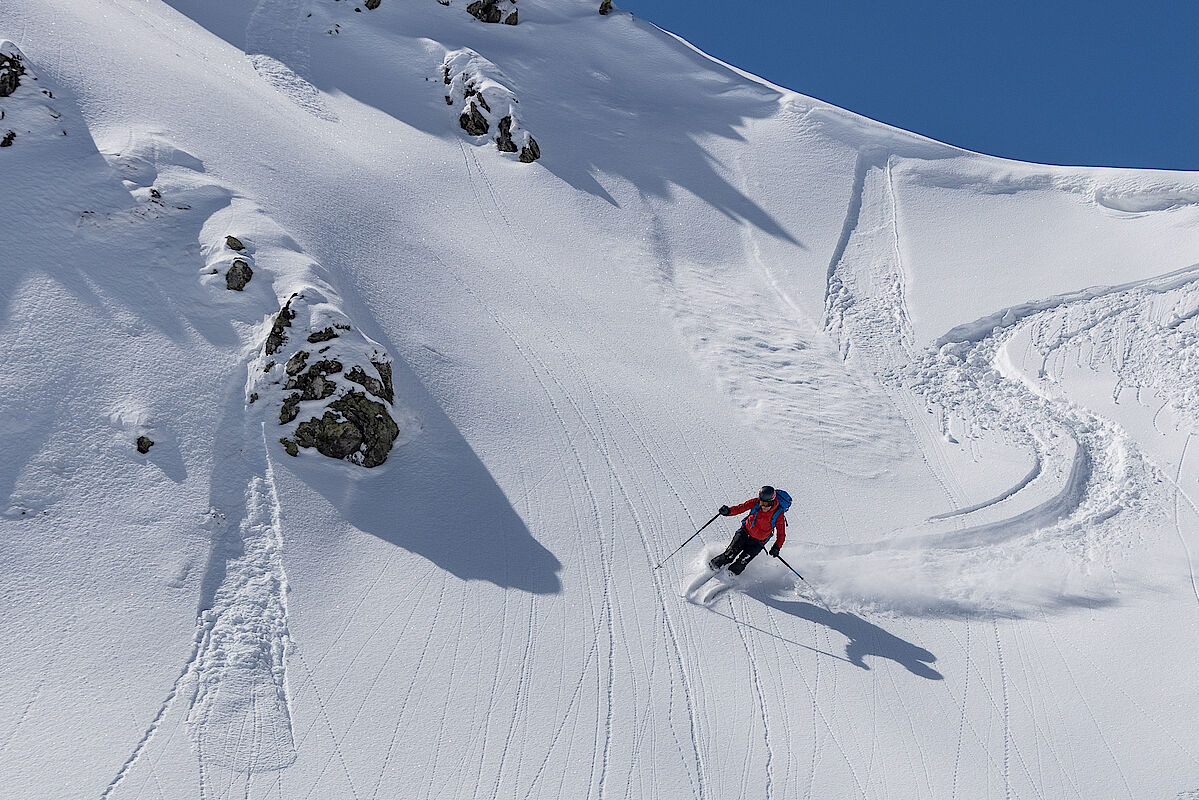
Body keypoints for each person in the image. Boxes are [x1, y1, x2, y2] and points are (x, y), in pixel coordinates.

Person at [710, 485, 786, 575]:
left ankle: (729, 577)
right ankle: (711, 568)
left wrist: (777, 547)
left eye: (767, 504)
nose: (764, 507)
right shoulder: (755, 502)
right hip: (744, 533)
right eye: (762, 503)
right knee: (729, 554)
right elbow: (740, 508)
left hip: (758, 543)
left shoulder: (778, 514)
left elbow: (781, 534)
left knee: (742, 562)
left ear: (773, 502)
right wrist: (728, 511)